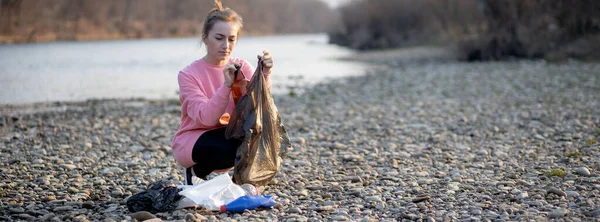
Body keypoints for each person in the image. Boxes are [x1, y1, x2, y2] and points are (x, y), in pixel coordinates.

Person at [171, 0, 274, 185]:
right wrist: (226, 86)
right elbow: (206, 119)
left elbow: (259, 108)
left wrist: (264, 75)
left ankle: (241, 181)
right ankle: (195, 172)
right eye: (219, 38)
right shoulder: (188, 75)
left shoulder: (243, 67)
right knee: (231, 149)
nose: (226, 45)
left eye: (231, 39)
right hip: (195, 138)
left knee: (261, 138)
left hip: (230, 132)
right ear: (205, 38)